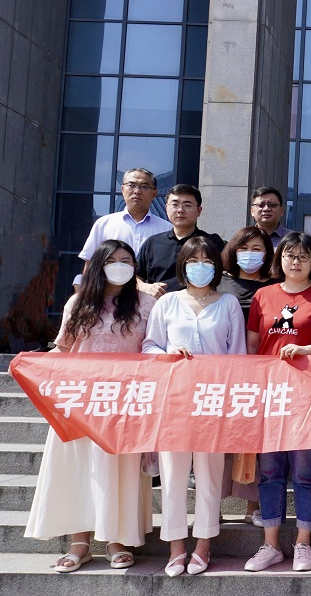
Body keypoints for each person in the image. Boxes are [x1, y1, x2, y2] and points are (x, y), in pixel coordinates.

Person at [25, 240, 155, 572]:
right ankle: (79, 543)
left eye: (127, 260)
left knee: (119, 471)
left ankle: (115, 540)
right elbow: (63, 350)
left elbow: (153, 348)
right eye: (112, 260)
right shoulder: (78, 302)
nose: (120, 266)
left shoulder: (146, 304)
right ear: (98, 265)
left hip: (124, 402)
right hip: (79, 402)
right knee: (78, 470)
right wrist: (29, 366)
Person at [142, 236, 246, 576]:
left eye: (207, 261)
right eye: (193, 261)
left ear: (216, 267)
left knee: (209, 475)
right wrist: (167, 353)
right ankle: (175, 547)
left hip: (213, 401)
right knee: (172, 475)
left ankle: (203, 545)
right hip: (174, 400)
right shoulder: (167, 303)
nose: (200, 267)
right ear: (182, 265)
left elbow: (237, 355)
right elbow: (149, 346)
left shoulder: (228, 303)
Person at [244, 232, 311, 573]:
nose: (296, 261)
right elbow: (252, 345)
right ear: (280, 259)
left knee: (305, 471)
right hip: (270, 395)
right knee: (270, 471)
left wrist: (305, 350)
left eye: (303, 256)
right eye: (289, 255)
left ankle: (303, 542)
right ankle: (270, 545)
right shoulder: (263, 295)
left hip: (308, 396)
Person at [217, 226, 277, 527]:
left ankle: (254, 506)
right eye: (244, 248)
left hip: (263, 374)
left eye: (257, 249)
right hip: (223, 374)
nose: (250, 255)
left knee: (257, 444)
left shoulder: (276, 286)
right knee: (220, 442)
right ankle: (212, 506)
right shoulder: (220, 283)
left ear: (267, 254)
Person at [74, 168, 171, 288]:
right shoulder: (104, 224)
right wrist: (87, 293)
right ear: (123, 189)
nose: (137, 191)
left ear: (154, 193)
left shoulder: (167, 229)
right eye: (131, 185)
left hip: (151, 294)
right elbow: (90, 263)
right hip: (110, 294)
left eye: (144, 187)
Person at [135, 184, 225, 298]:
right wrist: (146, 287)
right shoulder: (152, 243)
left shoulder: (212, 242)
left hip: (201, 304)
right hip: (159, 304)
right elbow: (135, 277)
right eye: (175, 205)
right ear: (166, 208)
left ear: (199, 210)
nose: (180, 210)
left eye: (187, 205)